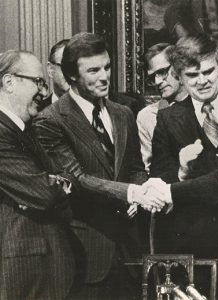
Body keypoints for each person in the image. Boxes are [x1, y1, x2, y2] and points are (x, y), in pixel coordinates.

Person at [32, 32, 168, 299]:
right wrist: (131, 192)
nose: (104, 76)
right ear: (72, 75)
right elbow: (76, 178)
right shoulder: (50, 121)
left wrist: (136, 194)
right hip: (84, 254)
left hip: (129, 251)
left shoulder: (123, 113)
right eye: (93, 70)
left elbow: (136, 168)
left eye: (106, 67)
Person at [150, 34, 218, 299]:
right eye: (192, 74)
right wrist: (181, 171)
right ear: (180, 77)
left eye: (208, 71)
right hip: (192, 248)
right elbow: (158, 182)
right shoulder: (168, 118)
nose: (202, 81)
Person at [0, 50, 76, 299]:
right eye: (38, 82)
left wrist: (54, 182)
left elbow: (61, 177)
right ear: (9, 82)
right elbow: (44, 193)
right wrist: (54, 184)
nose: (44, 92)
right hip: (24, 272)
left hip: (46, 268)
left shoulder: (26, 129)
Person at [137, 43, 187, 174]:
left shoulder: (203, 104)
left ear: (178, 67)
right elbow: (146, 169)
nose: (157, 82)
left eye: (162, 73)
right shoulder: (146, 116)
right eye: (152, 77)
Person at [38, 39, 70, 111]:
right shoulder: (37, 112)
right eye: (66, 66)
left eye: (75, 67)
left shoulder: (94, 111)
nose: (71, 74)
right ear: (51, 69)